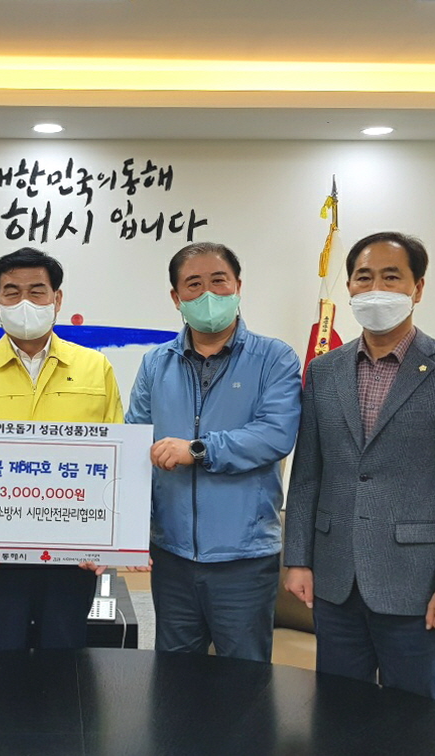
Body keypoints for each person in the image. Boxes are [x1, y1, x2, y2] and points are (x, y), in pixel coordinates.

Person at [284, 231, 435, 701]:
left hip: (416, 585)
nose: (376, 289)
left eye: (391, 277)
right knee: (338, 710)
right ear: (349, 288)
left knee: (412, 716)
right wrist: (298, 559)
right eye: (364, 277)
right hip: (336, 581)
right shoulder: (323, 370)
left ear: (418, 288)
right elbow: (308, 475)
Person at [125, 241, 301, 661]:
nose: (207, 294)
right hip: (172, 555)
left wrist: (199, 449)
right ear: (176, 297)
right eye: (193, 284)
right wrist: (130, 533)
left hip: (244, 557)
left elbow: (275, 434)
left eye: (218, 281)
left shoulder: (274, 358)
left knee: (244, 679)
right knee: (175, 675)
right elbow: (135, 443)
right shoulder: (155, 364)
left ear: (238, 286)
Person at [0, 247, 123, 652]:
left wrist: (107, 540)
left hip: (73, 550)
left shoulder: (96, 368)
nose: (24, 302)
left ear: (57, 299)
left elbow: (116, 459)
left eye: (37, 291)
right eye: (12, 292)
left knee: (64, 658)